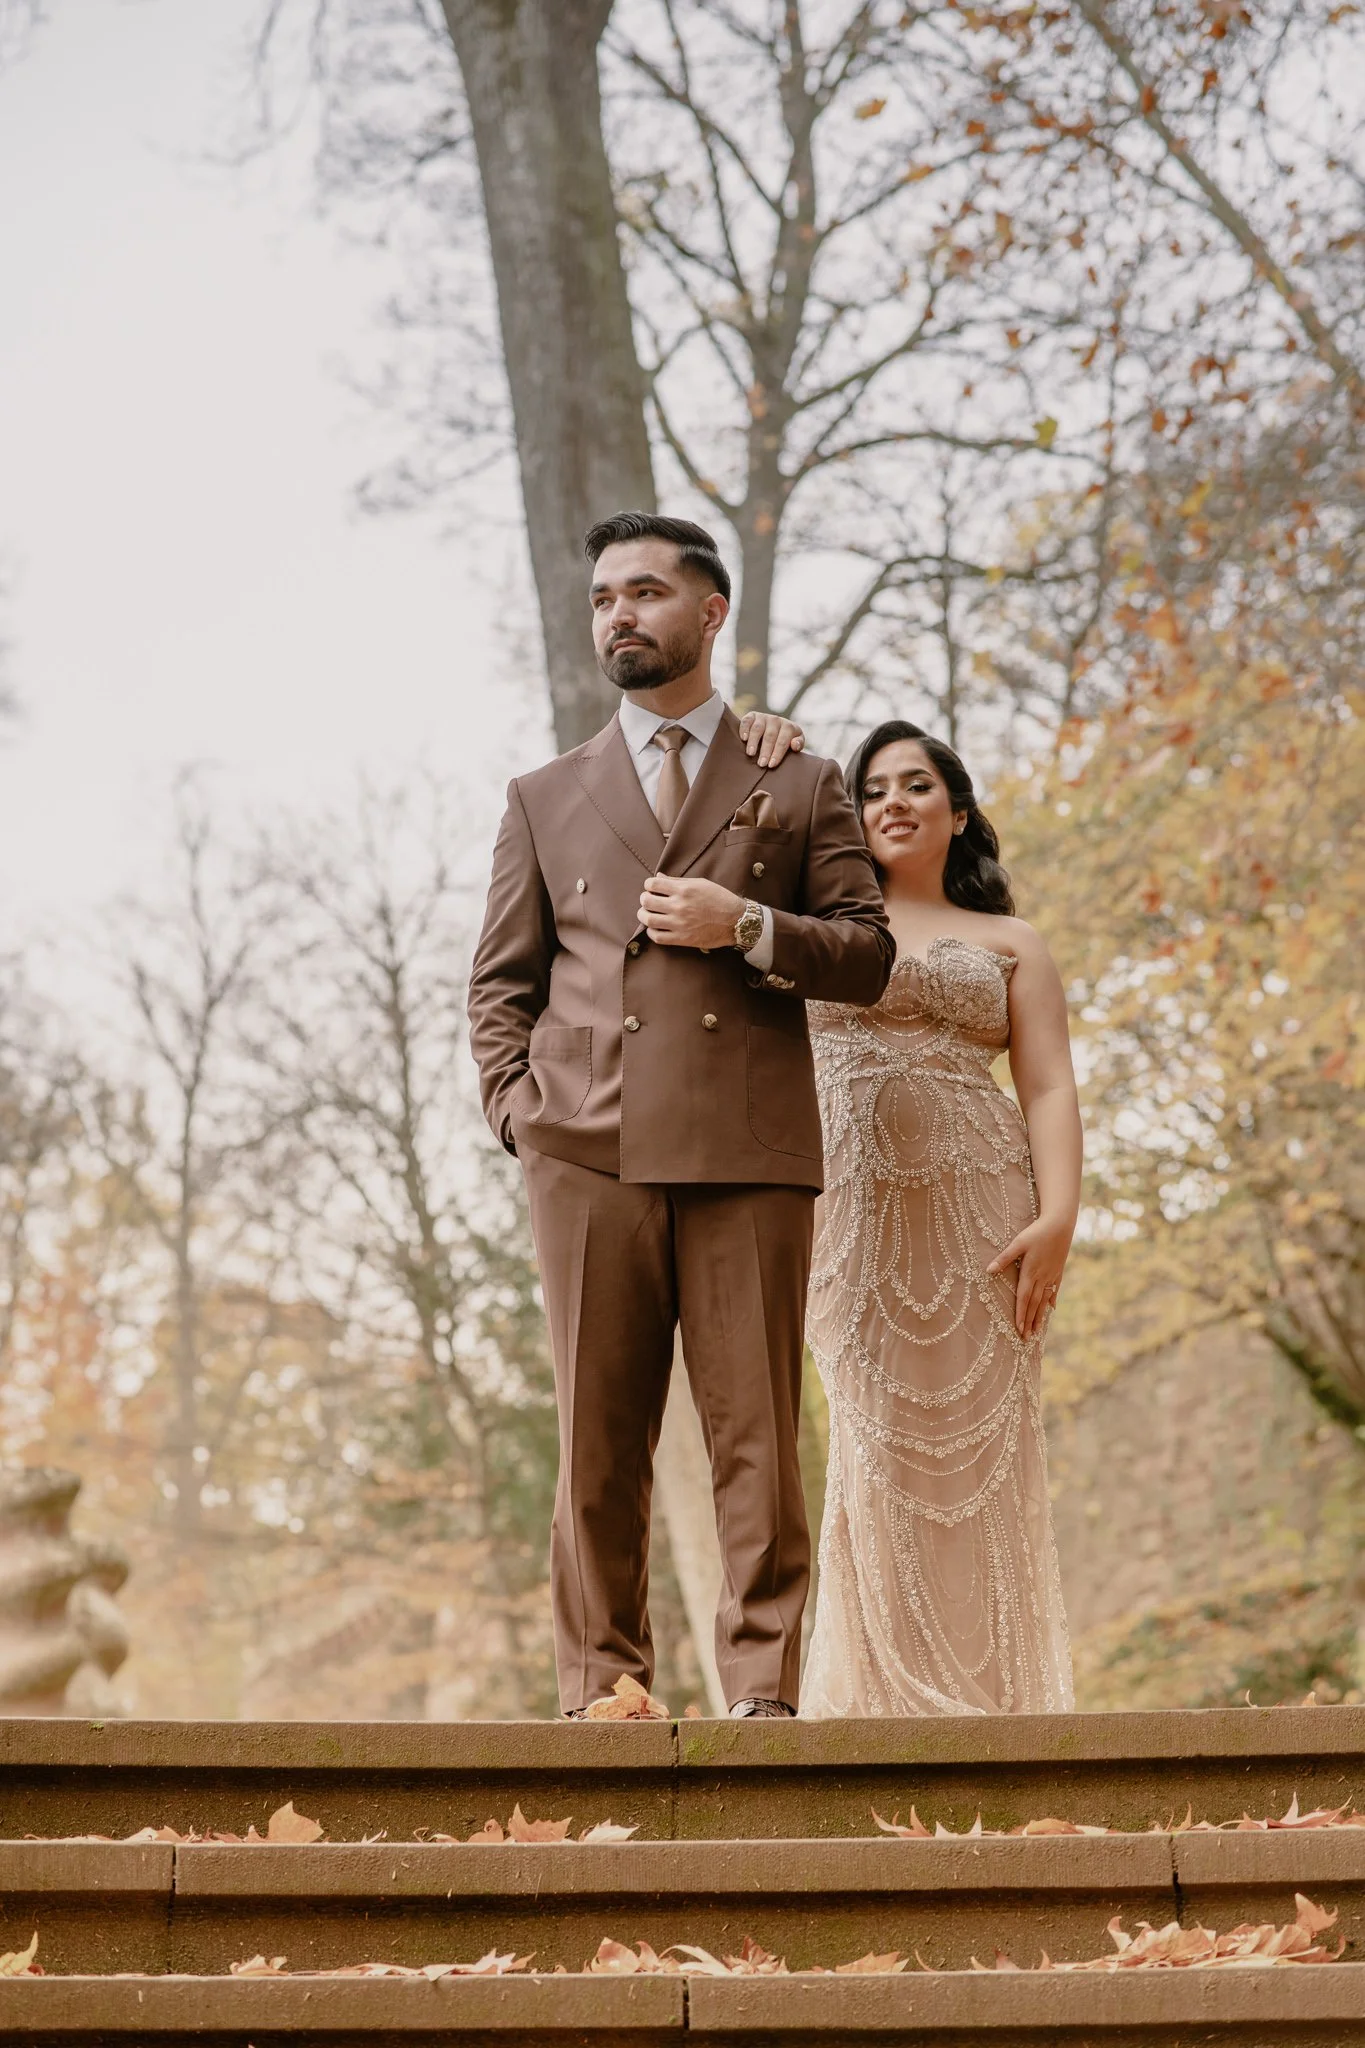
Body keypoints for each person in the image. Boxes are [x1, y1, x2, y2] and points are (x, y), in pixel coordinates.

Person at [466, 512, 894, 1720]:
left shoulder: (799, 778)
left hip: (748, 1144)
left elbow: (867, 956)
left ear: (711, 614)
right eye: (604, 596)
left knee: (754, 1436)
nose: (618, 614)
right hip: (583, 1146)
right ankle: (605, 1688)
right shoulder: (544, 794)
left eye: (645, 592)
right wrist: (518, 1112)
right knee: (595, 1446)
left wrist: (745, 927)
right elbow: (501, 979)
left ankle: (761, 1695)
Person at [800, 720, 1077, 1717]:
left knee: (988, 1447)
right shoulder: (815, 926)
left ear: (957, 813)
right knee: (873, 1443)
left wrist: (1061, 1215)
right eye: (873, 789)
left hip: (987, 1217)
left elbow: (1046, 1087)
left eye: (918, 784)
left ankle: (1000, 1710)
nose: (894, 802)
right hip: (848, 1221)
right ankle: (879, 1710)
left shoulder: (1012, 943)